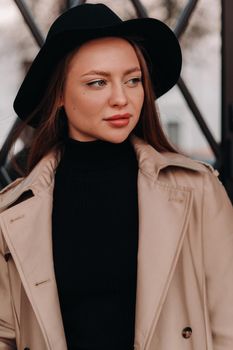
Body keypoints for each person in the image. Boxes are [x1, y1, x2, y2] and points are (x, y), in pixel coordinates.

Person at [0, 3, 232, 350]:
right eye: (97, 83)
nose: (121, 99)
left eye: (133, 80)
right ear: (60, 94)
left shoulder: (197, 191)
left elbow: (227, 323)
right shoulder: (14, 213)